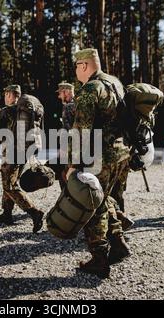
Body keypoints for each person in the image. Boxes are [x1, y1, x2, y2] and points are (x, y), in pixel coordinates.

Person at [66, 48, 131, 278]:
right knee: (106, 199)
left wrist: (73, 164)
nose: (75, 70)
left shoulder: (90, 88)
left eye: (76, 66)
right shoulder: (115, 82)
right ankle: (119, 243)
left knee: (91, 205)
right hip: (121, 153)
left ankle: (99, 259)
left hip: (100, 156)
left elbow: (81, 130)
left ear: (84, 65)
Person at [0, 85, 45, 233]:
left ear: (10, 95)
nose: (4, 97)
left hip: (13, 151)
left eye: (5, 94)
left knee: (9, 184)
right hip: (26, 150)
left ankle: (34, 212)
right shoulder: (28, 110)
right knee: (10, 179)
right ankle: (7, 213)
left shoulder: (6, 111)